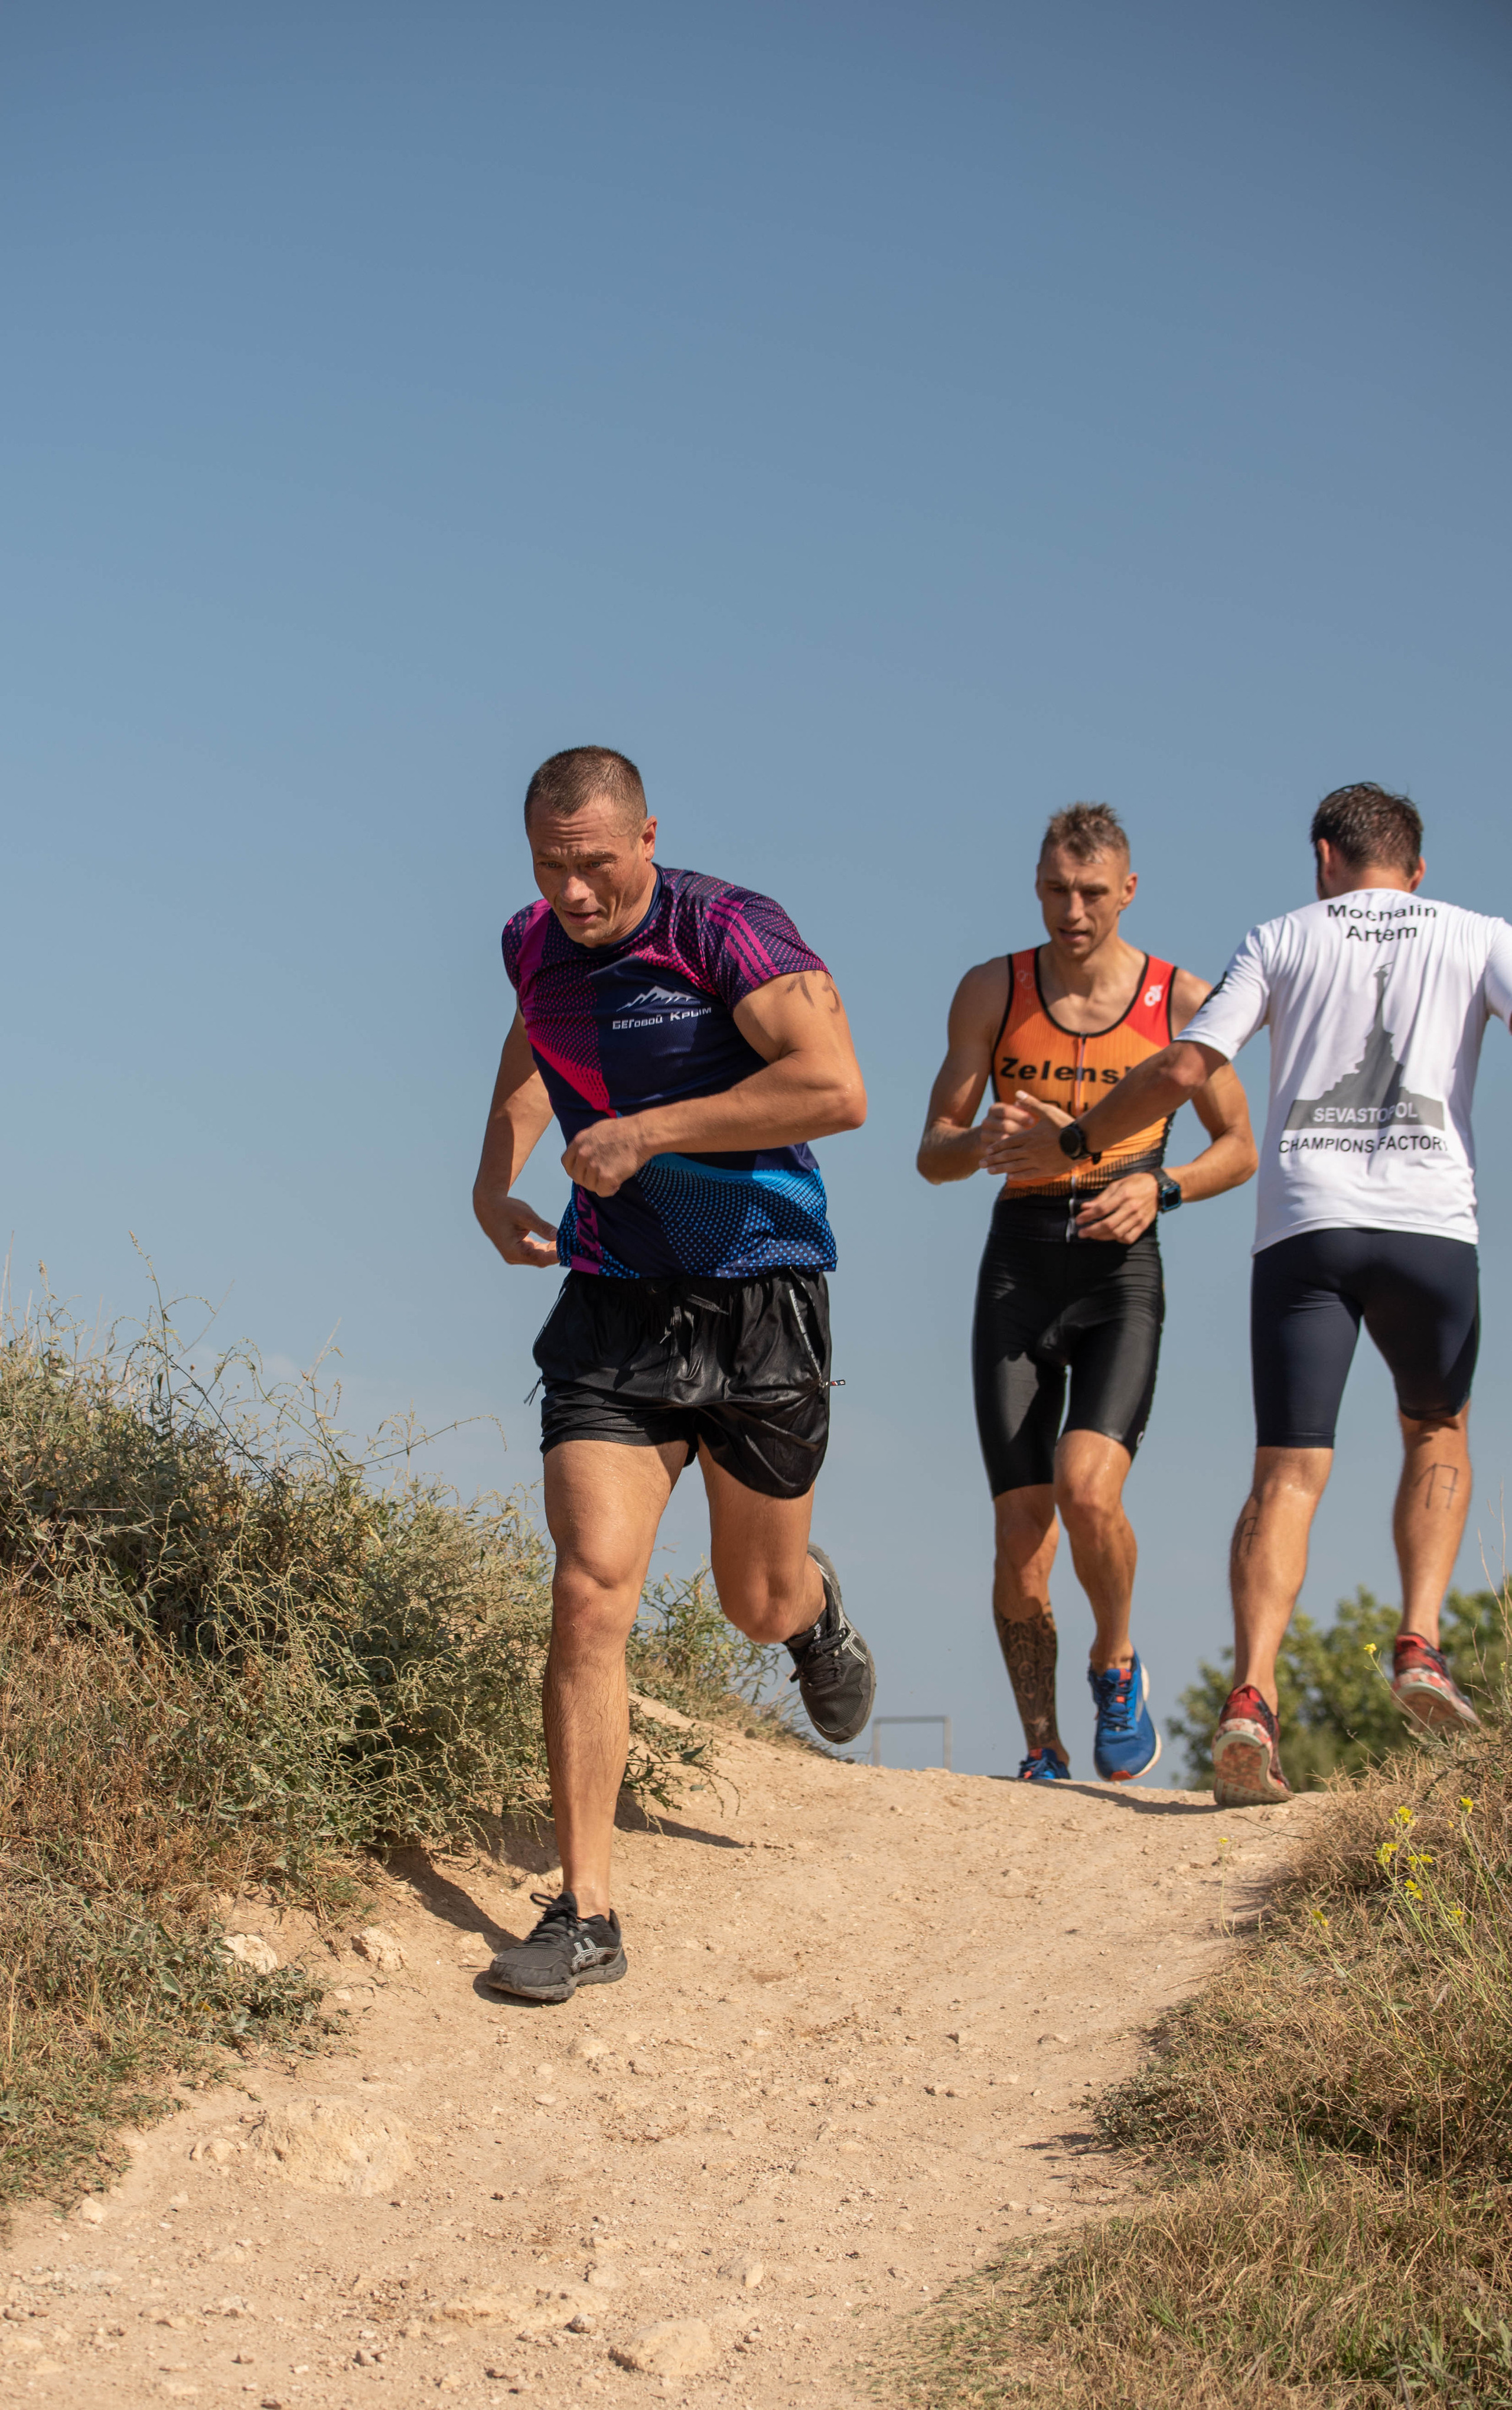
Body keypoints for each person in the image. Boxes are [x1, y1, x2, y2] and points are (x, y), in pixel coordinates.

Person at [997, 783, 1512, 1805]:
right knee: (1436, 1432)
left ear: (1324, 857)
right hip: (1431, 1231)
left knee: (1287, 1473)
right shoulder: (1477, 935)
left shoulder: (1282, 937)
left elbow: (1187, 1065)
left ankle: (1250, 1698)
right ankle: (1418, 1644)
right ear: (1413, 870)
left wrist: (1077, 1141)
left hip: (1307, 1234)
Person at [472, 747, 875, 2001]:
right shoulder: (533, 942)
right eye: (551, 867)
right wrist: (494, 1178)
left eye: (594, 866)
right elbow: (533, 1041)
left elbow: (834, 1089)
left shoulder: (727, 931)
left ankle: (810, 1618)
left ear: (647, 835)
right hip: (613, 1298)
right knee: (591, 1586)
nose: (574, 894)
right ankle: (584, 1910)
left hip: (759, 1291)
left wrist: (648, 1130)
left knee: (749, 1599)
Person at [917, 803, 1257, 1783]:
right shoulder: (993, 988)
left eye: (1094, 894)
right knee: (1021, 1527)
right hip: (1019, 1263)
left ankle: (1116, 1660)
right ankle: (1040, 1745)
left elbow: (1238, 1145)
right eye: (1059, 892)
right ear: (1036, 886)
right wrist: (975, 1145)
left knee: (1087, 1489)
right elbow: (931, 1149)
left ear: (1129, 891)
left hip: (1118, 1271)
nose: (1075, 912)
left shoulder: (1180, 999)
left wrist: (1162, 1186)